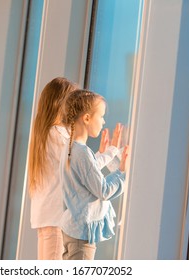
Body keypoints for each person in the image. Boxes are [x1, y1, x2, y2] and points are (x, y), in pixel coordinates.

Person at [28, 77, 122, 260]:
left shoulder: (47, 134)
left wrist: (104, 154)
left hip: (47, 219)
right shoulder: (58, 135)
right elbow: (84, 165)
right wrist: (110, 153)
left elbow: (83, 165)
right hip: (56, 220)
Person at [60, 89, 128, 260]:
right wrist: (122, 173)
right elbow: (103, 190)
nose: (104, 121)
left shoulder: (72, 147)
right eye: (101, 116)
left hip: (73, 230)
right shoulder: (81, 152)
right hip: (81, 237)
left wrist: (109, 152)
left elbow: (88, 171)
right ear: (87, 118)